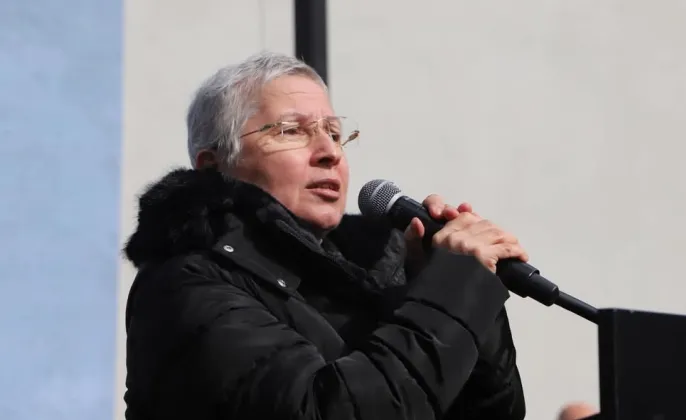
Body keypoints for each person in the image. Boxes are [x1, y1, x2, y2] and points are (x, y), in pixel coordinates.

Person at [123, 51, 528, 420]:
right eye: (290, 131)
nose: (330, 152)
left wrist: (442, 284)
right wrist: (452, 288)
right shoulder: (186, 284)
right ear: (214, 166)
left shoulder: (371, 275)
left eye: (334, 133)